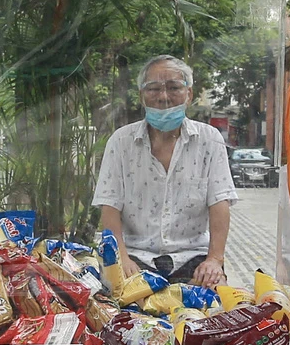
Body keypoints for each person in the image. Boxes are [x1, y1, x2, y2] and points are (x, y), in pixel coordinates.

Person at [92, 55, 237, 285]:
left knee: (210, 302)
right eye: (153, 88)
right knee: (120, 308)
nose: (164, 97)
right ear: (141, 95)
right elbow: (109, 206)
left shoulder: (210, 140)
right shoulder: (120, 142)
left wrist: (214, 259)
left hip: (192, 257)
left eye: (174, 87)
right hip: (135, 255)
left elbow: (219, 202)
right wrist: (121, 257)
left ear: (189, 94)